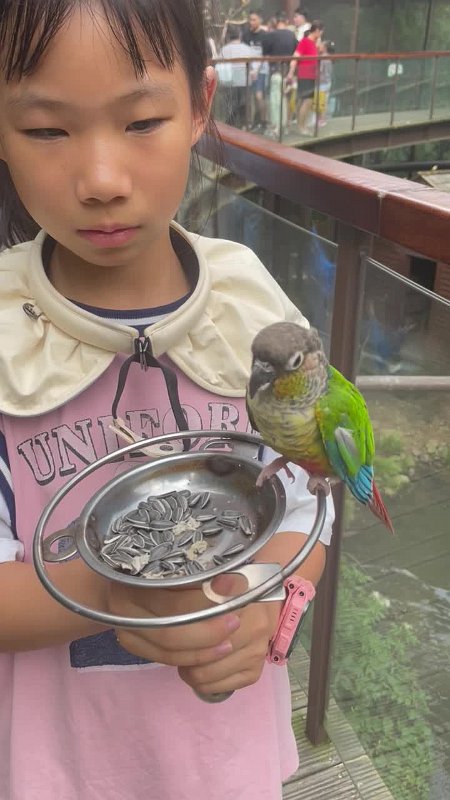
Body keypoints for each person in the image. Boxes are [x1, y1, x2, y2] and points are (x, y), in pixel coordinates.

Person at [0, 1, 334, 799]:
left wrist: (273, 604)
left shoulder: (256, 312)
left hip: (230, 767)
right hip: (64, 771)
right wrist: (123, 588)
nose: (101, 181)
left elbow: (306, 505)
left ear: (200, 105)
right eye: (46, 130)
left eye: (142, 121)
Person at [286, 20, 324, 135]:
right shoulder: (305, 41)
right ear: (317, 31)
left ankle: (300, 125)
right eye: (321, 32)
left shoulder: (313, 43)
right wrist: (291, 73)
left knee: (304, 100)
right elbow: (295, 57)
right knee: (307, 100)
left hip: (311, 74)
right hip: (305, 74)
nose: (321, 34)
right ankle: (301, 127)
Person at [264, 12, 298, 137]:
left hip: (276, 72)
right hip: (288, 73)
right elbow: (296, 52)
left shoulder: (271, 35)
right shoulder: (292, 35)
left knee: (275, 101)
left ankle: (276, 128)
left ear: (276, 22)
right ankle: (285, 127)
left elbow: (266, 54)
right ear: (286, 22)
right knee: (285, 100)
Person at [219, 23, 255, 128]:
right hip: (245, 81)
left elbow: (219, 64)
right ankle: (244, 125)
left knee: (231, 106)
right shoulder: (247, 49)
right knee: (244, 104)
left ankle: (231, 127)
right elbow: (253, 66)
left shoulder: (224, 49)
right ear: (240, 35)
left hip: (229, 82)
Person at [242, 9, 269, 131]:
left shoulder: (265, 35)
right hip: (248, 68)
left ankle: (263, 121)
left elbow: (266, 54)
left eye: (254, 19)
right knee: (249, 97)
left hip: (261, 70)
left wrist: (256, 70)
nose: (251, 22)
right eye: (250, 19)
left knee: (259, 95)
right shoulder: (246, 34)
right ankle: (250, 122)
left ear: (260, 20)